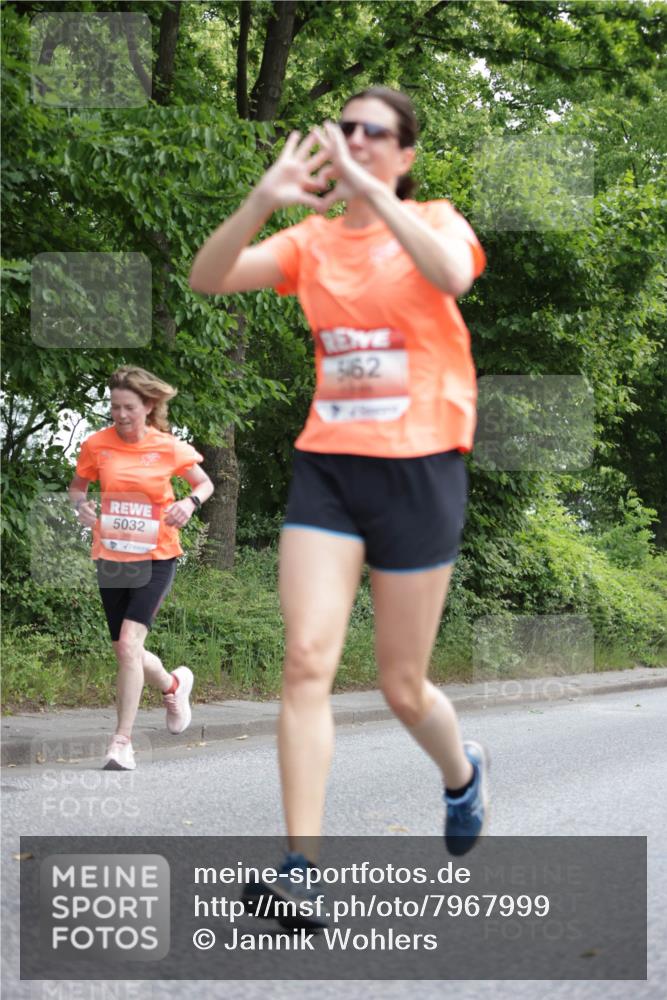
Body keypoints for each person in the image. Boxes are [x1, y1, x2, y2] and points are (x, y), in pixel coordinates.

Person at [190, 86, 488, 924]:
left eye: (374, 133)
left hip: (421, 467)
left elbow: (452, 275)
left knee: (400, 684)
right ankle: (300, 870)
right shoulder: (309, 243)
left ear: (403, 155)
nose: (354, 140)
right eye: (343, 129)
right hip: (329, 469)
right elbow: (208, 277)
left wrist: (379, 204)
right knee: (306, 660)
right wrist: (262, 200)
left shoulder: (436, 219)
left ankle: (461, 775)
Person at [69, 366, 214, 771]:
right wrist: (81, 508)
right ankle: (173, 684)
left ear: (149, 406)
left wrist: (189, 503)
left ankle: (121, 743)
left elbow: (204, 483)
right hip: (113, 554)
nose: (120, 415)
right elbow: (77, 489)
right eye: (114, 407)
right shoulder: (96, 445)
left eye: (129, 407)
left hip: (157, 554)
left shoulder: (168, 447)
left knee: (130, 644)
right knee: (123, 649)